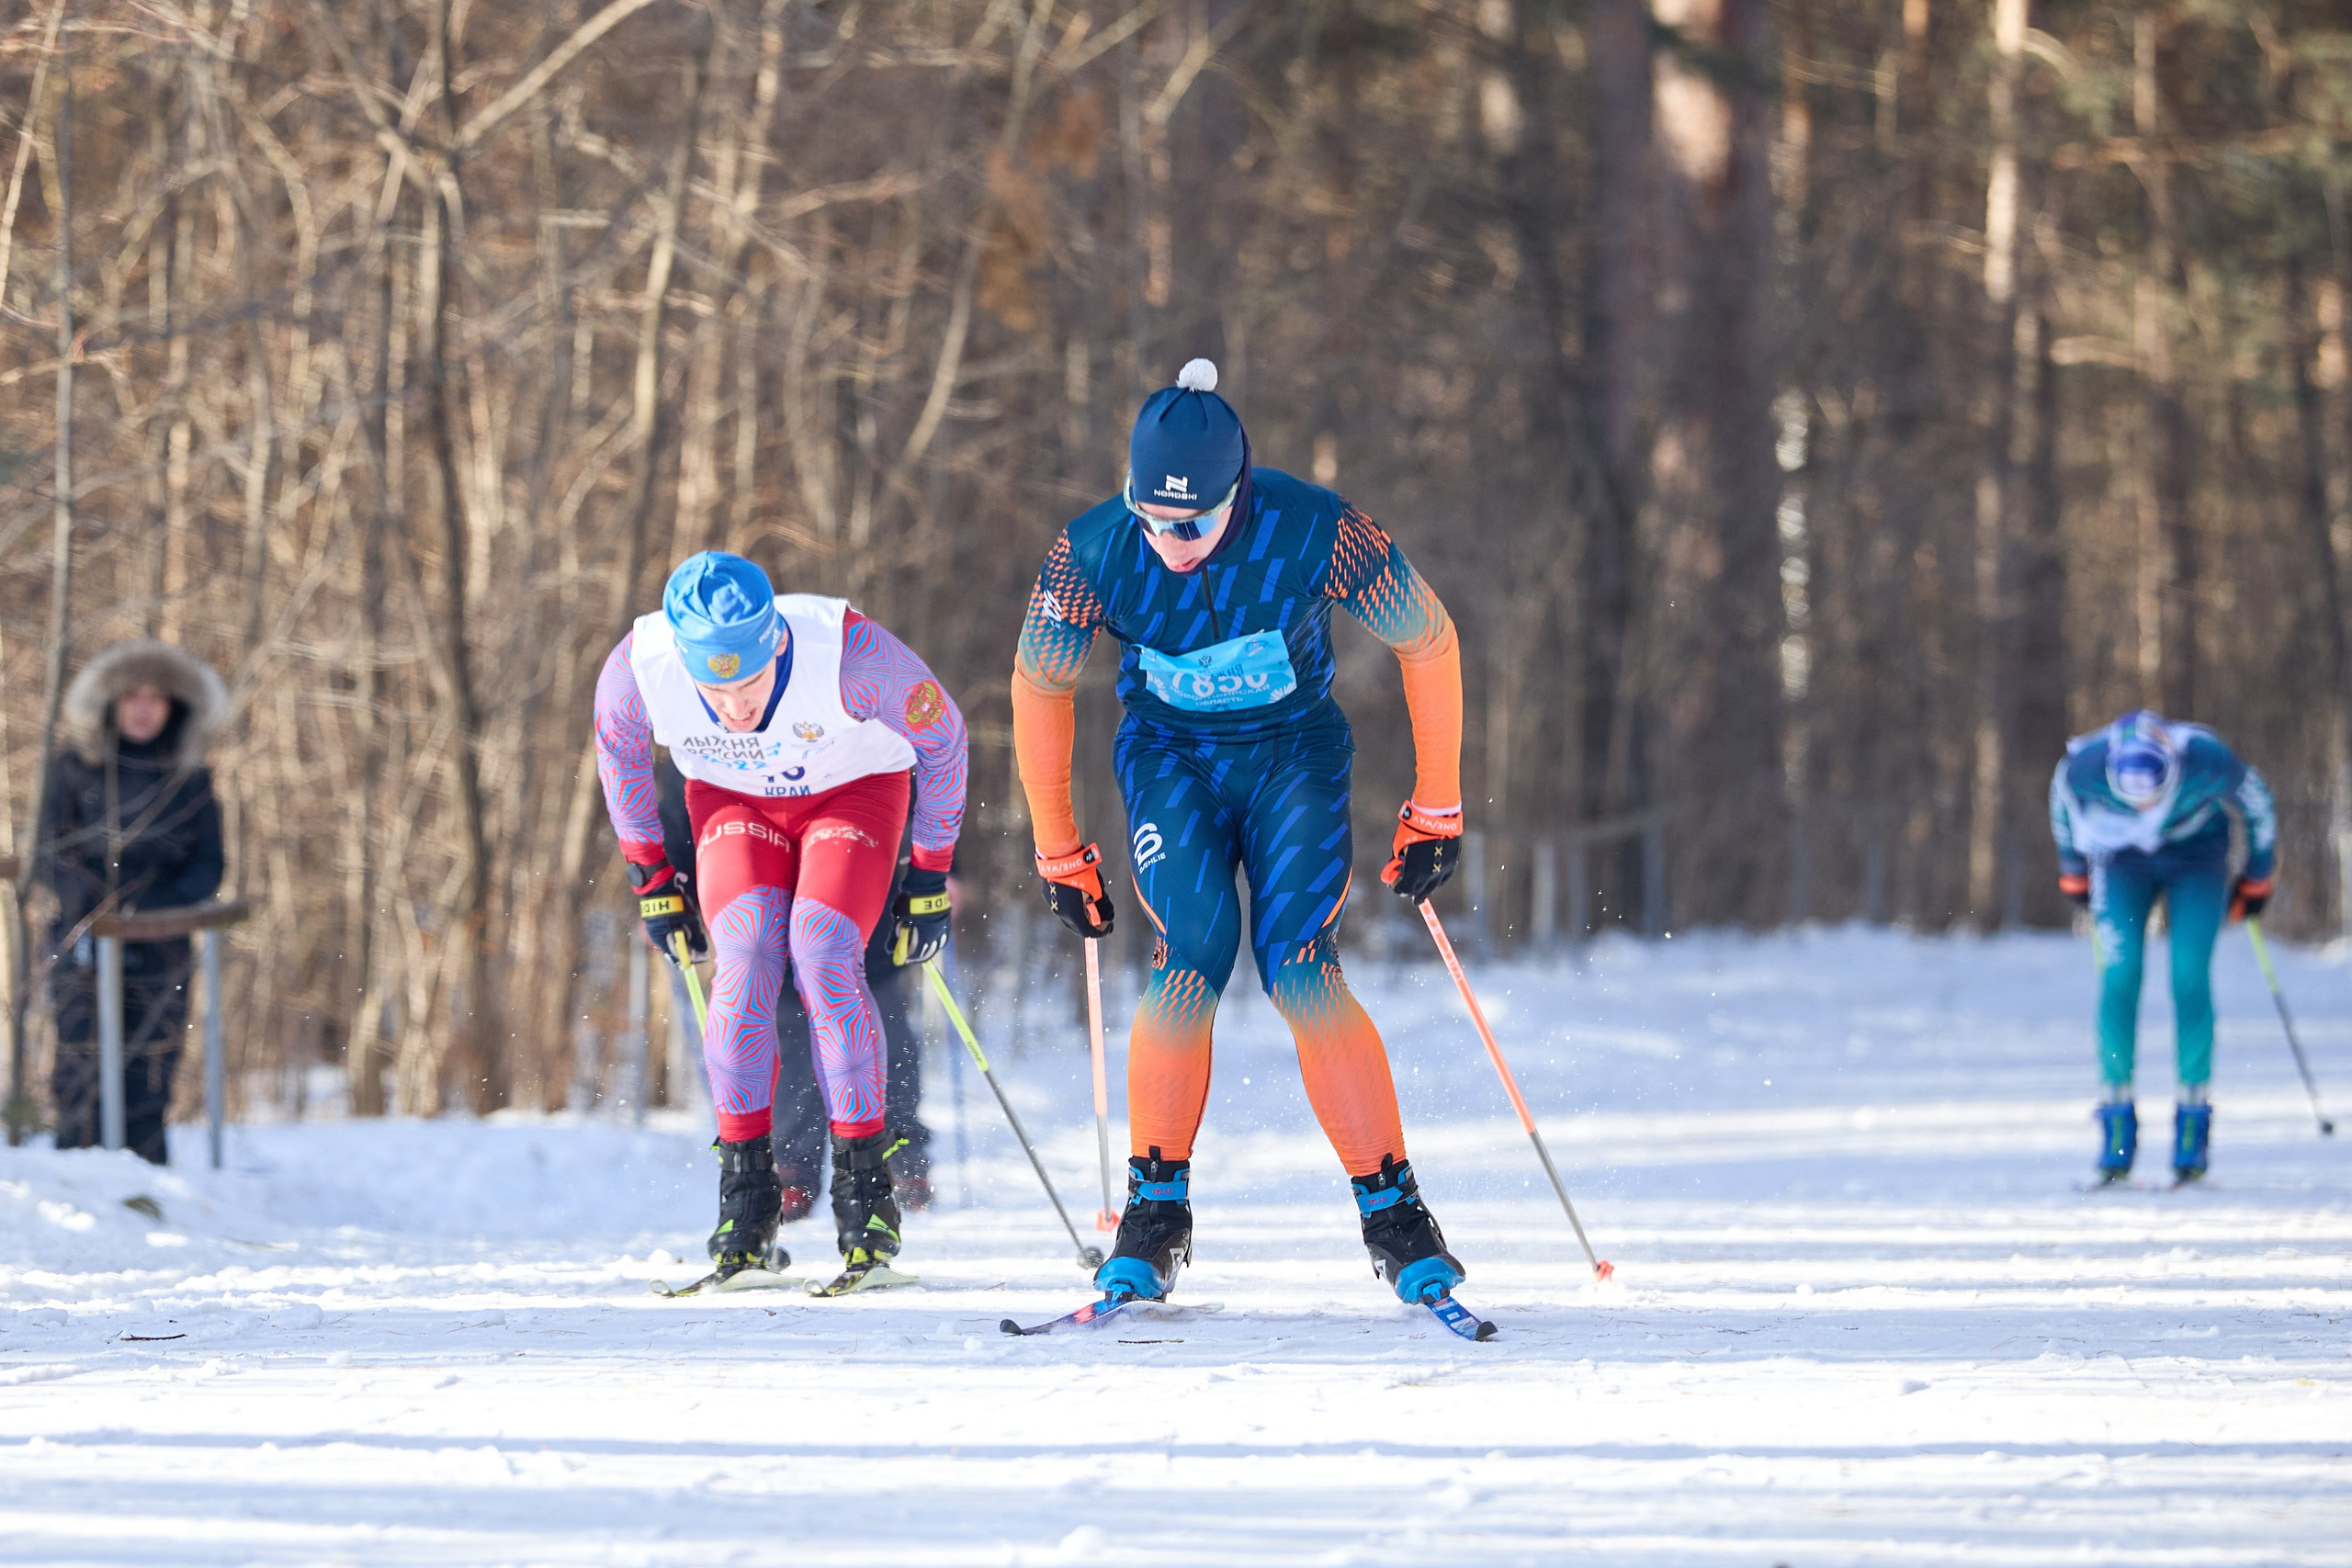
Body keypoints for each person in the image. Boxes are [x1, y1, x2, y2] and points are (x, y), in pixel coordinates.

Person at [1011, 358, 1472, 1308]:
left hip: (1291, 755)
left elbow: (1427, 639)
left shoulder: (1317, 531)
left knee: (1298, 964)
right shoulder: (1091, 553)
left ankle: (1395, 1214)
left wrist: (1438, 803)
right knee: (1194, 955)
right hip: (1171, 760)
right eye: (1154, 520)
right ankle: (1153, 1215)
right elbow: (1039, 683)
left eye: (1194, 523)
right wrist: (1056, 844)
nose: (1172, 544)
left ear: (1237, 494)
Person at [595, 552, 965, 1290]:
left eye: (752, 683)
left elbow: (944, 735)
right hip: (734, 802)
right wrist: (652, 879)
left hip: (854, 792)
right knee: (749, 951)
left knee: (823, 947)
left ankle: (868, 1203)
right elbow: (622, 760)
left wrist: (928, 871)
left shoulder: (848, 652)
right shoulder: (638, 669)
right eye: (715, 690)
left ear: (777, 645)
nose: (734, 706)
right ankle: (748, 1205)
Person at [653, 755, 934, 1218]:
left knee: (883, 1034)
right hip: (766, 911)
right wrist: (669, 884)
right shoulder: (710, 712)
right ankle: (793, 1171)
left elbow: (918, 777)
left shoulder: (852, 695)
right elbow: (681, 806)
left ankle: (899, 1159)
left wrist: (937, 874)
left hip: (863, 899)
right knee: (789, 1047)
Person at [2050, 708, 2276, 1185]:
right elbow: (2062, 802)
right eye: (2135, 797)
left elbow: (2258, 803)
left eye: (2156, 795)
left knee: (2188, 974)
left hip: (2196, 856)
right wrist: (2072, 866)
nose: (2146, 806)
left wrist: (2258, 874)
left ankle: (2191, 1135)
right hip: (2120, 861)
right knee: (2120, 974)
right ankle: (2116, 1136)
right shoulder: (2084, 769)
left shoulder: (2206, 760)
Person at [39, 640, 227, 1165]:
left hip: (161, 945)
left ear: (174, 707)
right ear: (112, 702)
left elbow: (209, 863)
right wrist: (90, 904)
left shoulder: (190, 778)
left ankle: (144, 1179)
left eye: (156, 697)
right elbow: (47, 850)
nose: (143, 709)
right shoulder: (73, 767)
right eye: (132, 696)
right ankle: (77, 1177)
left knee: (150, 1066)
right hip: (80, 939)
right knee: (80, 1062)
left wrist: (154, 909)